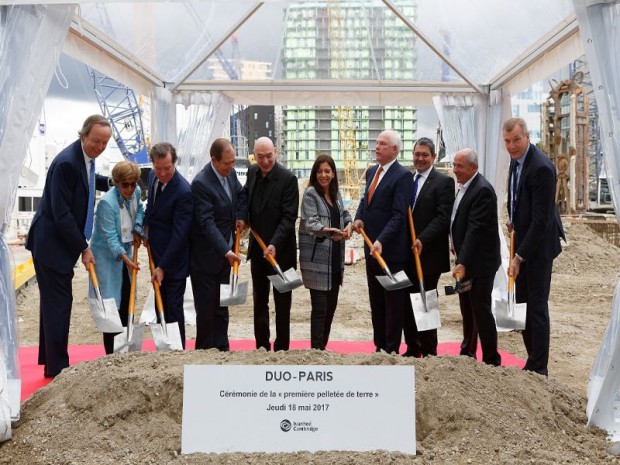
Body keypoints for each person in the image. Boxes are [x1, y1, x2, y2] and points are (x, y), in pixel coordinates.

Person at [26, 114, 112, 378]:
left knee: (53, 304)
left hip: (57, 243)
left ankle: (51, 359)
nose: (99, 147)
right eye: (96, 141)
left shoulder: (84, 157)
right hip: (51, 244)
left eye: (105, 143)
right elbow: (61, 213)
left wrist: (111, 182)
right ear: (83, 135)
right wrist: (84, 247)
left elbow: (87, 177)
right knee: (59, 304)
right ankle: (58, 367)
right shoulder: (66, 163)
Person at [504, 117, 565, 376]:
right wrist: (513, 219)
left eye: (517, 140)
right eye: (507, 141)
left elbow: (541, 221)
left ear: (527, 136)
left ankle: (539, 368)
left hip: (538, 248)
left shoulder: (541, 167)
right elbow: (518, 196)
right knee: (523, 305)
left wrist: (519, 257)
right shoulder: (516, 161)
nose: (512, 146)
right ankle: (532, 359)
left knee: (537, 307)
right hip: (524, 238)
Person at [352, 130, 413, 354]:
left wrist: (381, 240)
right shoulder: (371, 172)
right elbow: (364, 201)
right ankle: (379, 345)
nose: (377, 147)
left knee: (393, 303)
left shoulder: (403, 176)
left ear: (395, 150)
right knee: (376, 301)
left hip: (391, 251)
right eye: (376, 143)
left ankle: (391, 348)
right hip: (371, 249)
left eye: (382, 144)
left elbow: (399, 215)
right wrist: (359, 217)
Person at [189, 138, 246, 351]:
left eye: (232, 162)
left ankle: (222, 350)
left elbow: (240, 195)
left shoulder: (229, 174)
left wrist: (240, 216)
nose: (231, 167)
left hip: (226, 256)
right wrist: (226, 250)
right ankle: (204, 352)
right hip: (206, 258)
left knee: (222, 308)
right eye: (227, 163)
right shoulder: (201, 183)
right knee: (206, 310)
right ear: (214, 160)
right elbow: (206, 223)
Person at [243, 136, 298, 351]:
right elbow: (244, 197)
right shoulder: (252, 172)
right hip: (258, 250)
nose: (265, 161)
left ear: (275, 151)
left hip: (281, 252)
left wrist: (274, 243)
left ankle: (282, 346)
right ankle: (262, 345)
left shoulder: (288, 179)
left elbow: (289, 217)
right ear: (254, 155)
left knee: (282, 304)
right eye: (260, 157)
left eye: (269, 156)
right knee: (260, 302)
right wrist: (241, 216)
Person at [402, 137, 454, 357]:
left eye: (425, 155)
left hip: (429, 255)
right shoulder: (406, 180)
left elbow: (443, 219)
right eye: (417, 154)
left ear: (433, 157)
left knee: (425, 301)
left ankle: (430, 350)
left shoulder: (443, 182)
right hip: (405, 254)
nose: (420, 158)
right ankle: (413, 348)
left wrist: (422, 239)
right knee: (406, 302)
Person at [450, 148, 501, 366]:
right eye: (454, 165)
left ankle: (491, 359)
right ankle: (467, 352)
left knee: (480, 310)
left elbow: (475, 230)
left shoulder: (482, 191)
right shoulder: (463, 187)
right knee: (466, 309)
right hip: (465, 260)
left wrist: (463, 262)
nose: (455, 170)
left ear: (474, 167)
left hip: (478, 264)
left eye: (459, 166)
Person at [299, 154, 353, 350]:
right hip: (317, 263)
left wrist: (348, 225)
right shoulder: (310, 194)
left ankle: (322, 348)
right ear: (315, 173)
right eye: (320, 171)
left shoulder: (336, 194)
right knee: (320, 310)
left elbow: (345, 214)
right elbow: (311, 223)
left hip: (334, 261)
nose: (324, 175)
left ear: (333, 174)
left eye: (327, 171)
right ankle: (316, 351)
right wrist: (332, 232)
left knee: (330, 310)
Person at [90, 161, 144, 354]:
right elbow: (111, 237)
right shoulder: (106, 203)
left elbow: (140, 212)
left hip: (126, 255)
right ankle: (112, 354)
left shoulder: (136, 193)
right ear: (116, 183)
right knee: (111, 305)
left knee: (127, 298)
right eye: (125, 185)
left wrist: (138, 229)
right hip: (106, 259)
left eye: (133, 184)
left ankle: (125, 349)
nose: (130, 189)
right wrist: (125, 258)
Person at [143, 142, 193, 349]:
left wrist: (163, 267)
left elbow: (180, 236)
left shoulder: (183, 192)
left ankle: (176, 352)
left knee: (172, 309)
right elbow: (152, 208)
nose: (162, 173)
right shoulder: (152, 177)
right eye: (158, 168)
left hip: (174, 262)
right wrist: (145, 228)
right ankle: (164, 350)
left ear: (175, 163)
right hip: (156, 254)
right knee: (159, 305)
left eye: (167, 168)